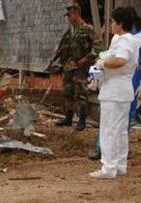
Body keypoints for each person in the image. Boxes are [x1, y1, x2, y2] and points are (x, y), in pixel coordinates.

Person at [90, 7, 138, 179]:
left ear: (120, 24)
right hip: (122, 90)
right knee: (120, 130)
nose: (110, 25)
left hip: (115, 90)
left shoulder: (125, 41)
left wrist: (102, 64)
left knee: (109, 130)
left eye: (112, 21)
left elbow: (120, 61)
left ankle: (108, 167)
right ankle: (119, 164)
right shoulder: (127, 39)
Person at [55, 3, 104, 131]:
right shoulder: (70, 31)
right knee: (68, 93)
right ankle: (68, 118)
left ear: (76, 13)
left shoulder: (87, 29)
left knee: (81, 94)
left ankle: (82, 121)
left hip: (81, 68)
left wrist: (87, 58)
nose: (68, 18)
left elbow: (99, 47)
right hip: (69, 67)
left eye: (70, 15)